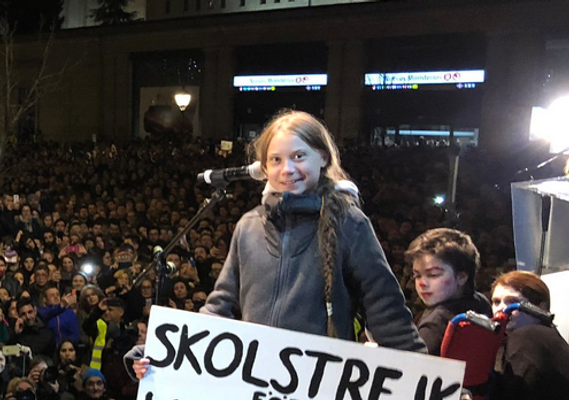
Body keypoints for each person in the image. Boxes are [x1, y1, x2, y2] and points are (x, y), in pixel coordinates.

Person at [201, 111, 423, 350]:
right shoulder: (248, 225)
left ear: (323, 157)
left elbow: (386, 310)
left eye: (299, 156)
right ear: (264, 167)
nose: (287, 169)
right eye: (276, 160)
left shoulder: (350, 223)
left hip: (323, 381)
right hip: (256, 379)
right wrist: (168, 359)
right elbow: (219, 306)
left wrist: (425, 375)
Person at [405, 228, 491, 355]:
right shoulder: (481, 302)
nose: (422, 283)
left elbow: (412, 367)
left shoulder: (436, 322)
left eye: (433, 275)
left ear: (461, 277)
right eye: (417, 276)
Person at [488, 271, 569, 400]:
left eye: (513, 301)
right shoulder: (550, 338)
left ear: (541, 307)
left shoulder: (528, 336)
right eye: (496, 302)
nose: (502, 308)